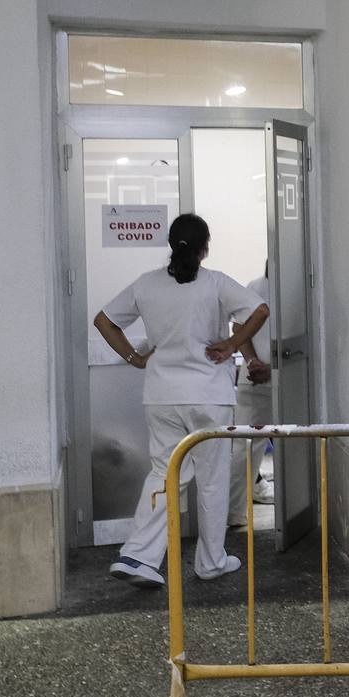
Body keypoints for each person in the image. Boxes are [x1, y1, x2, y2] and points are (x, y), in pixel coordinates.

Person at [94, 213, 269, 588]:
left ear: (172, 245)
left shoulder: (147, 285)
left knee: (164, 472)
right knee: (211, 480)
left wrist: (135, 358)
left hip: (162, 397)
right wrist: (233, 345)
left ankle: (138, 556)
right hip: (209, 396)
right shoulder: (217, 283)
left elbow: (104, 321)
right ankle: (210, 561)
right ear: (206, 247)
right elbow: (260, 310)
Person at [228, 266, 275, 526]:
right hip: (265, 377)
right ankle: (234, 510)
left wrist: (252, 360)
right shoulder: (260, 287)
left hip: (254, 375)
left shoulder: (253, 287)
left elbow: (238, 329)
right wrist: (259, 364)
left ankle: (234, 513)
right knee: (247, 446)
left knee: (244, 446)